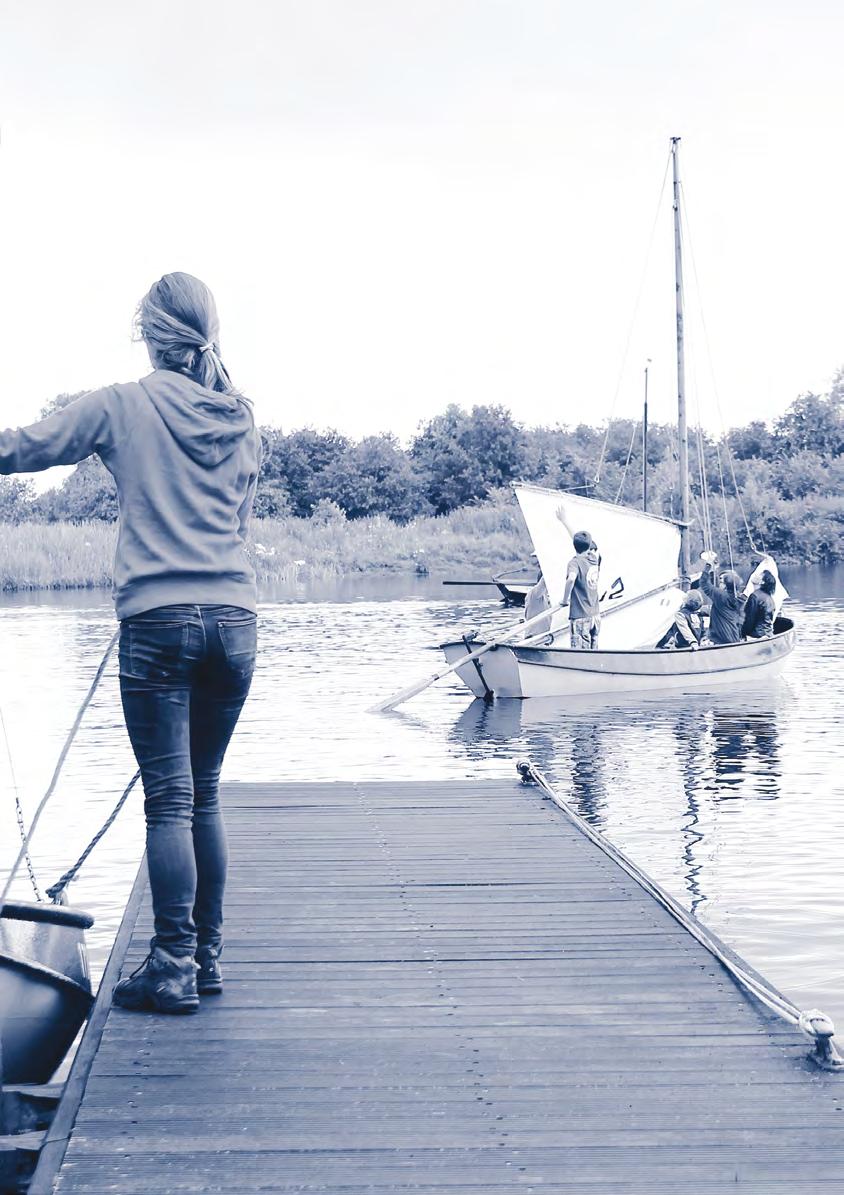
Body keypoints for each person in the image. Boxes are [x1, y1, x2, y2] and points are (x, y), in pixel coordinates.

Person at [0, 272, 262, 1014]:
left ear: (149, 334)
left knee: (169, 799)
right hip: (235, 623)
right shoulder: (243, 419)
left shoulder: (124, 404)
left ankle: (172, 963)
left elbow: (31, 445)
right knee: (202, 791)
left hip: (159, 621)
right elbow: (237, 523)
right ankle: (205, 958)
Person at [564, 530, 601, 649]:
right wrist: (565, 521)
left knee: (580, 655)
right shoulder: (593, 559)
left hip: (580, 617)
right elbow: (583, 541)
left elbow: (571, 579)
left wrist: (564, 600)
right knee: (593, 653)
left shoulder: (574, 563)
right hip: (595, 617)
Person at [698, 554, 746, 645]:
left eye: (721, 581)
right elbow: (714, 586)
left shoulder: (722, 597)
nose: (719, 583)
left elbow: (704, 583)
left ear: (725, 585)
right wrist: (713, 571)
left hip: (721, 638)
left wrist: (708, 565)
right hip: (733, 637)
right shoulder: (738, 597)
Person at [742, 569, 776, 639]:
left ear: (762, 582)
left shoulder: (755, 596)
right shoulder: (769, 597)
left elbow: (749, 618)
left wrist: (742, 633)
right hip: (767, 633)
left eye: (760, 575)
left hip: (756, 634)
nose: (756, 574)